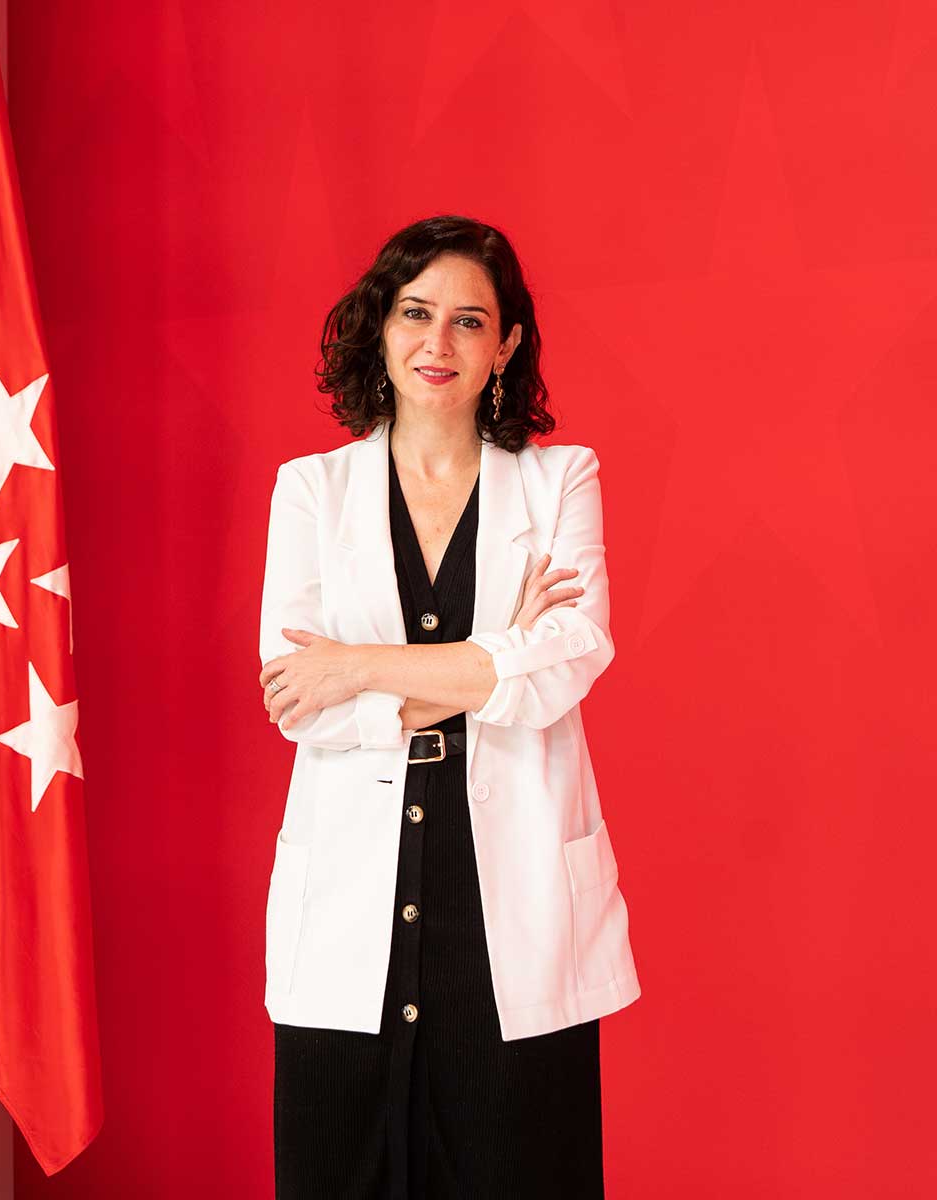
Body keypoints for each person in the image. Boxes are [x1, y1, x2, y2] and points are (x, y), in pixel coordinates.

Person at [256, 215, 641, 1198]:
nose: (439, 344)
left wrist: (363, 667)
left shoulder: (561, 481)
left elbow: (565, 661)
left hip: (511, 906)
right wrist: (488, 661)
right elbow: (302, 698)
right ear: (380, 327)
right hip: (350, 906)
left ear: (506, 344)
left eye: (470, 321)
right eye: (416, 313)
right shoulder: (313, 491)